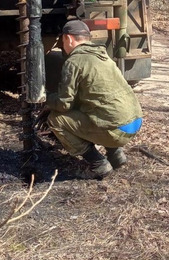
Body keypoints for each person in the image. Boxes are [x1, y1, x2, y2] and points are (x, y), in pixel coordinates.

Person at [44, 19, 143, 177]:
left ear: (68, 38)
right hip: (135, 122)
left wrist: (45, 97)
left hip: (117, 131)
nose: (62, 46)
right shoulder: (103, 56)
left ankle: (98, 164)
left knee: (56, 119)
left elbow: (64, 104)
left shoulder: (74, 61)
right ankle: (116, 155)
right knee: (102, 107)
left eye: (62, 41)